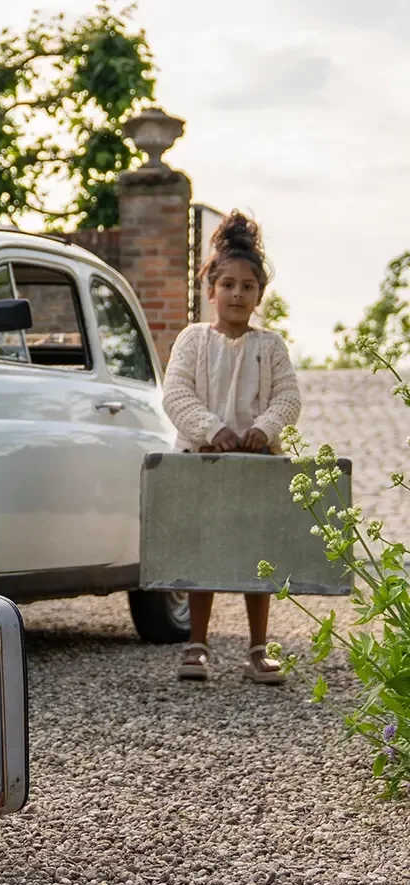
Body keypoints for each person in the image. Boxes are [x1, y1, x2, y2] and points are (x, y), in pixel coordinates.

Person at [161, 211, 302, 685]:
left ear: (259, 294)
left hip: (257, 466)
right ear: (210, 290)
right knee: (203, 549)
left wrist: (264, 427)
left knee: (255, 550)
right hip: (201, 464)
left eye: (247, 287)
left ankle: (258, 648)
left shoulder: (272, 346)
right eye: (228, 285)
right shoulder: (193, 341)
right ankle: (197, 644)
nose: (237, 295)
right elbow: (176, 393)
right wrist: (211, 429)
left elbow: (288, 397)